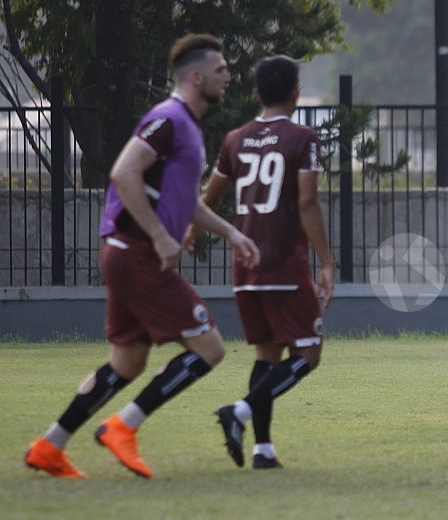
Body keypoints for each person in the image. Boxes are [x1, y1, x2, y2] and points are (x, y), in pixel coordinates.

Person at [23, 34, 259, 479]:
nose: (228, 76)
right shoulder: (168, 119)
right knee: (209, 347)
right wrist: (159, 235)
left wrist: (230, 232)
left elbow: (184, 200)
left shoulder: (186, 126)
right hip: (136, 252)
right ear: (196, 76)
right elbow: (123, 172)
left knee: (128, 362)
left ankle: (49, 446)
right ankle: (123, 427)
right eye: (221, 69)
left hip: (125, 253)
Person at [186, 55, 335, 470]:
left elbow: (210, 195)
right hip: (284, 262)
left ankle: (263, 450)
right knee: (307, 353)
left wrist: (194, 231)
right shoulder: (302, 137)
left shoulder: (235, 138)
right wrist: (326, 262)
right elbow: (307, 202)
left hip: (245, 265)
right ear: (296, 93)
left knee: (267, 355)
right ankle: (241, 411)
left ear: (255, 94)